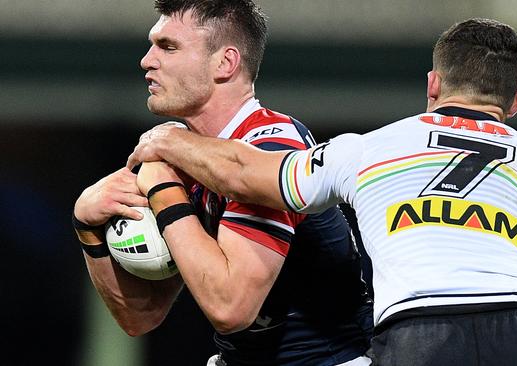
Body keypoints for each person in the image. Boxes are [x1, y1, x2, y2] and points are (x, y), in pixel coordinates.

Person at [128, 18, 517, 365]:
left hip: (420, 333)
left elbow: (248, 174)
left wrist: (167, 141)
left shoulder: (372, 148)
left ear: (433, 84)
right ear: (514, 102)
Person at [72, 1, 373, 365]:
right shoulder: (183, 159)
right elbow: (141, 316)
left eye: (168, 47)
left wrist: (163, 188)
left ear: (225, 63)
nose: (147, 60)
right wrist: (87, 227)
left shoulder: (272, 149)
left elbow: (231, 308)